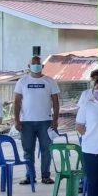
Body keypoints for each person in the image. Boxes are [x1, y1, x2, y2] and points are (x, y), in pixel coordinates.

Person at [14, 56, 60, 185]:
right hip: (26, 122)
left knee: (47, 150)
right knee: (28, 151)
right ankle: (30, 176)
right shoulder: (22, 81)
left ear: (42, 66)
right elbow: (17, 102)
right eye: (33, 63)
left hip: (46, 121)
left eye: (38, 63)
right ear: (28, 66)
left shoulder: (50, 81)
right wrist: (16, 120)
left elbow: (56, 102)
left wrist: (55, 120)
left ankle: (46, 176)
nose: (36, 65)